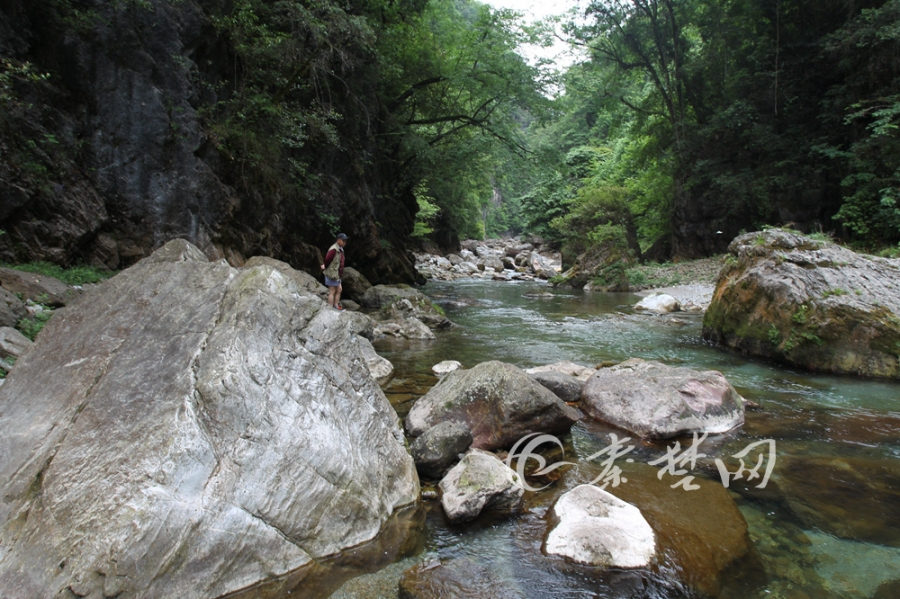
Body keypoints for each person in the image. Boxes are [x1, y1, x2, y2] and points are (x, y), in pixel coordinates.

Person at [321, 233, 348, 310]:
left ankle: (336, 305)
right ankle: (330, 308)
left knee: (339, 289)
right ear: (338, 240)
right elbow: (327, 259)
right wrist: (325, 266)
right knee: (332, 291)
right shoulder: (334, 249)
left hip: (337, 274)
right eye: (343, 240)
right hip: (332, 273)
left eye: (345, 241)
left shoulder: (340, 249)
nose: (345, 242)